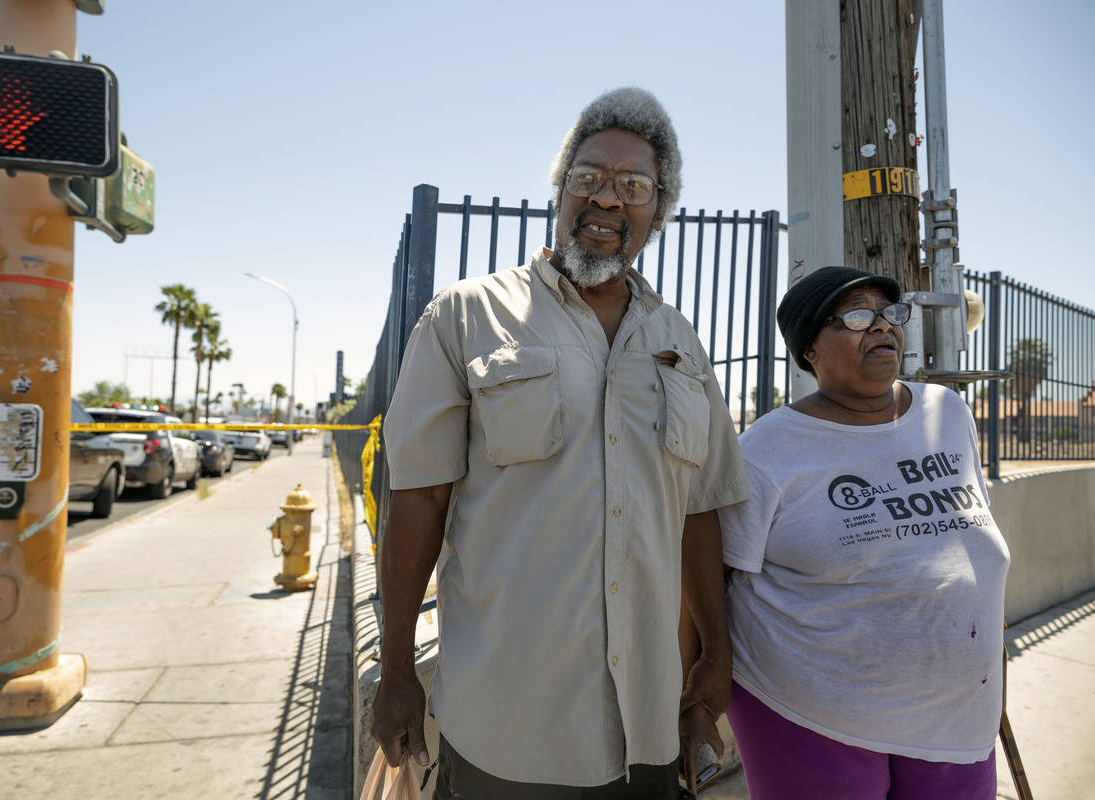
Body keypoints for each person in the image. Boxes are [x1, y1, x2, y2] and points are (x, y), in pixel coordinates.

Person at [372, 87, 750, 799]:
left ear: (658, 213)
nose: (607, 199)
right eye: (589, 178)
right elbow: (417, 498)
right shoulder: (466, 316)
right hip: (506, 729)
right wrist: (395, 669)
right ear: (560, 191)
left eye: (633, 186)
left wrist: (714, 655)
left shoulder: (680, 342)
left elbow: (699, 508)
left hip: (648, 722)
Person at [718, 267, 1009, 799]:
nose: (881, 327)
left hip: (959, 716)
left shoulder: (947, 412)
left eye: (889, 313)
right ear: (810, 351)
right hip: (811, 714)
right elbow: (714, 581)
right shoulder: (766, 450)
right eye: (855, 317)